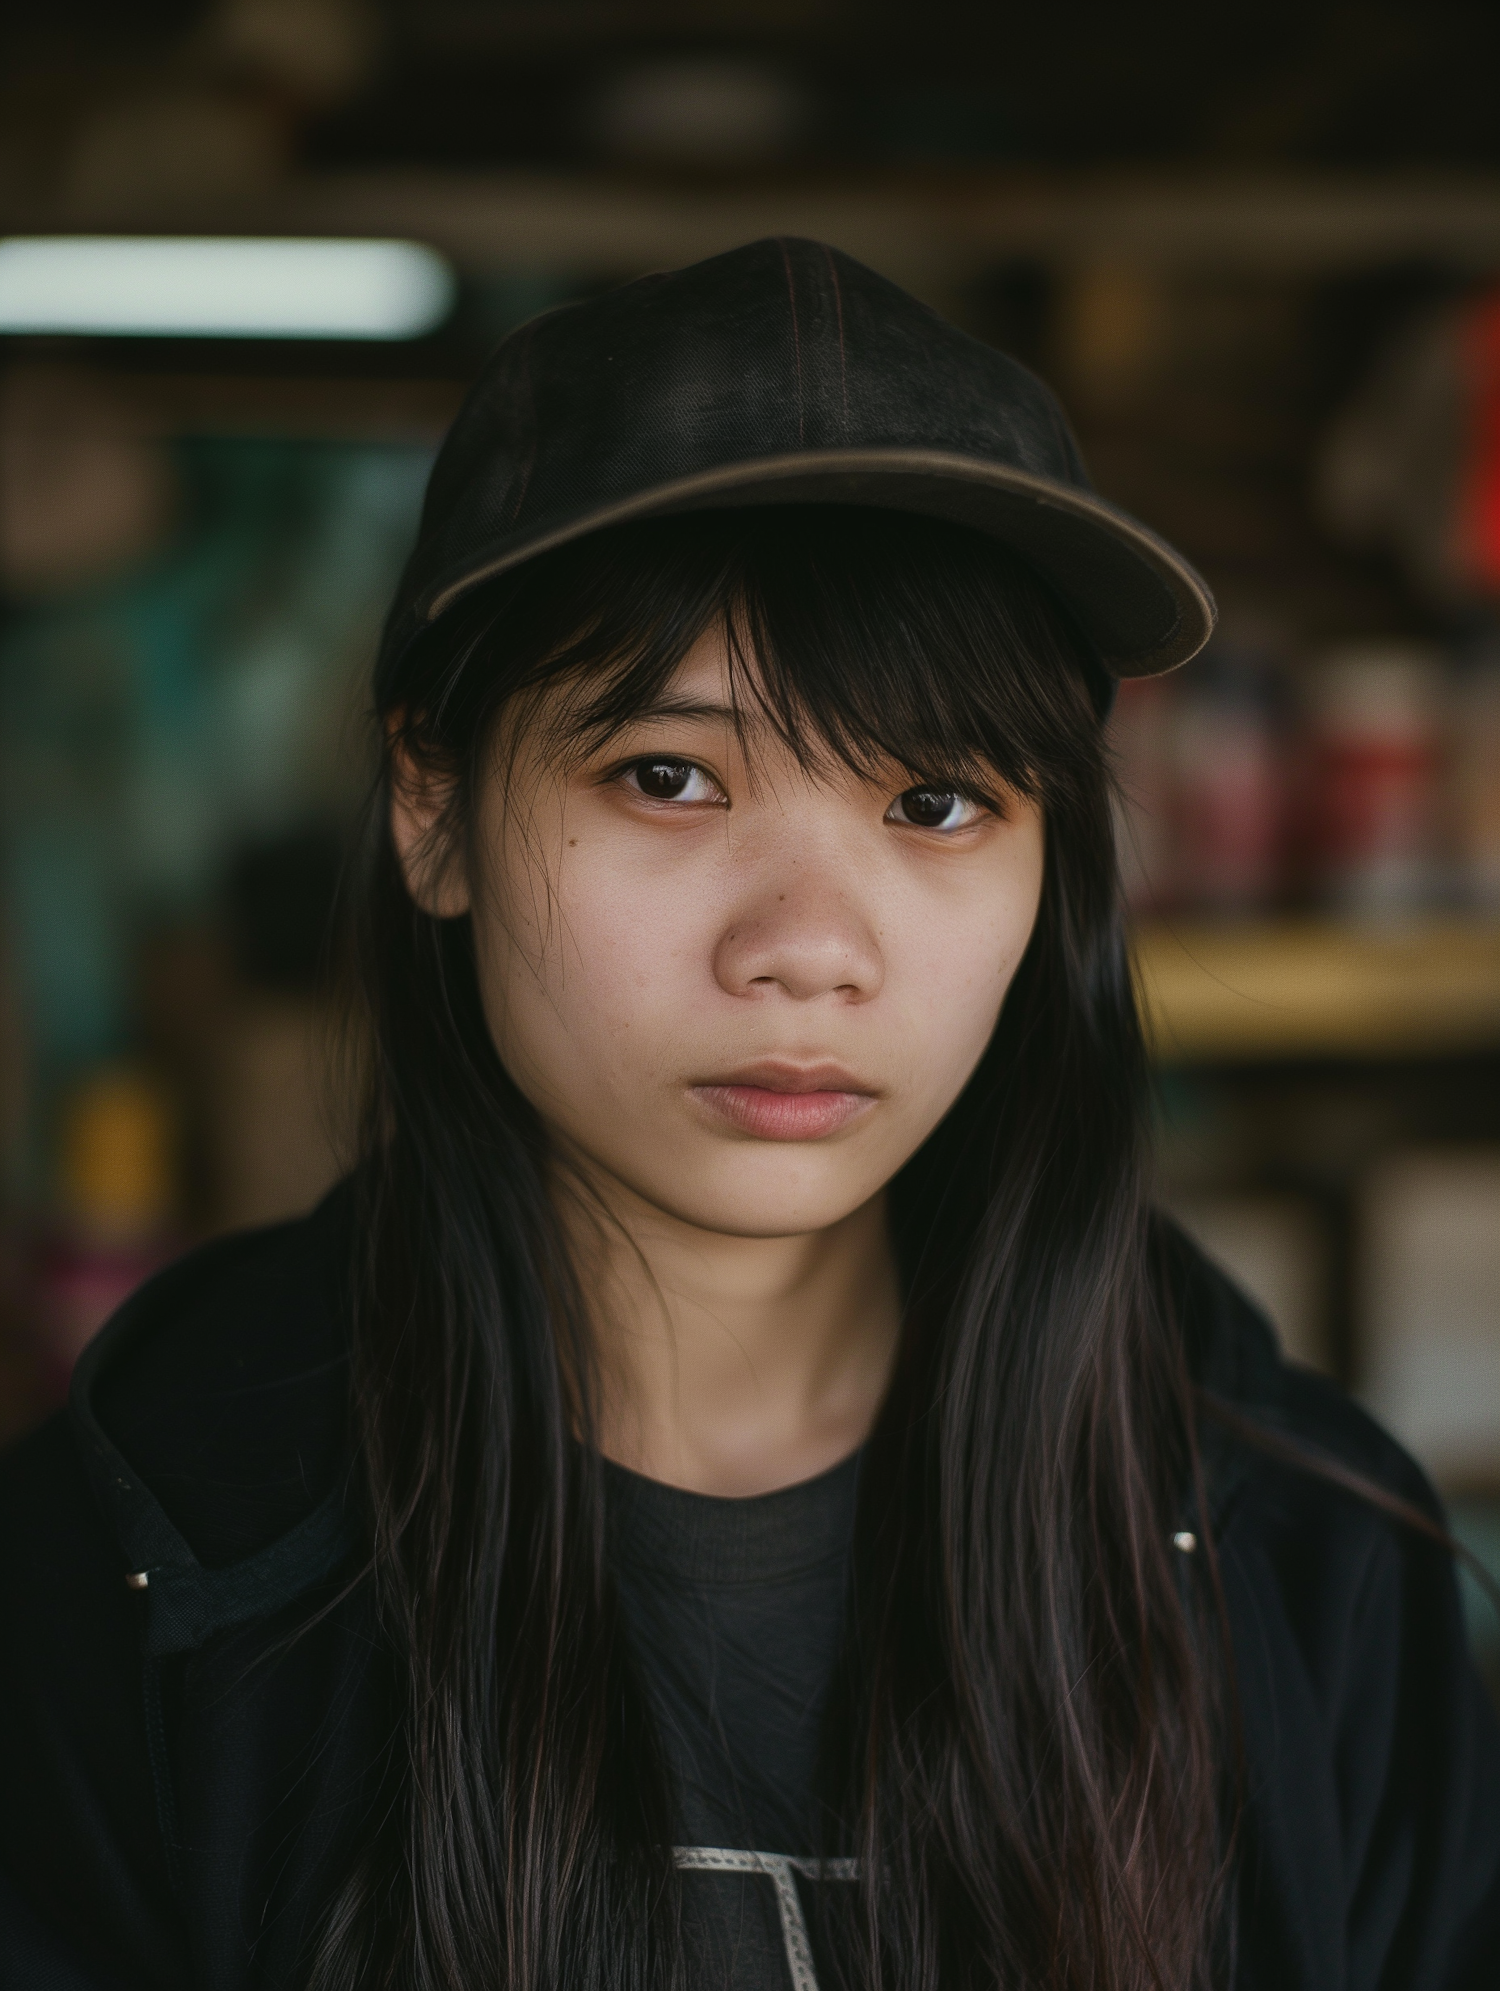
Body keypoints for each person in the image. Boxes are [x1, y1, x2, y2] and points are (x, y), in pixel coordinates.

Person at [1, 238, 1496, 1991]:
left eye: (937, 800)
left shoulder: (1297, 1552)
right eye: (669, 776)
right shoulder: (130, 1574)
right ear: (433, 805)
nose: (808, 949)